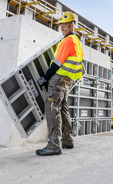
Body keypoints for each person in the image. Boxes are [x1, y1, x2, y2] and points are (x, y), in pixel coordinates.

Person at [36, 11, 83, 156]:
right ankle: (67, 140)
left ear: (72, 25)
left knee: (52, 110)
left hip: (58, 79)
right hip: (66, 81)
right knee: (63, 110)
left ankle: (54, 145)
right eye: (61, 26)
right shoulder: (76, 41)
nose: (62, 28)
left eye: (65, 25)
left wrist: (46, 77)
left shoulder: (67, 40)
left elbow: (56, 63)